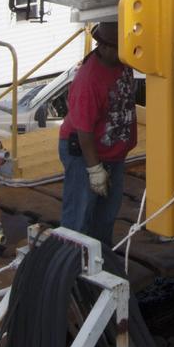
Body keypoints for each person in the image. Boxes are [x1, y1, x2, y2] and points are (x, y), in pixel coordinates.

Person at [57, 21, 137, 246]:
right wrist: (94, 170)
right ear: (105, 47)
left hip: (112, 154)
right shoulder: (89, 80)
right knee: (78, 220)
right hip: (85, 153)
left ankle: (100, 264)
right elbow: (84, 130)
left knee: (105, 217)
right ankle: (69, 266)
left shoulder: (123, 63)